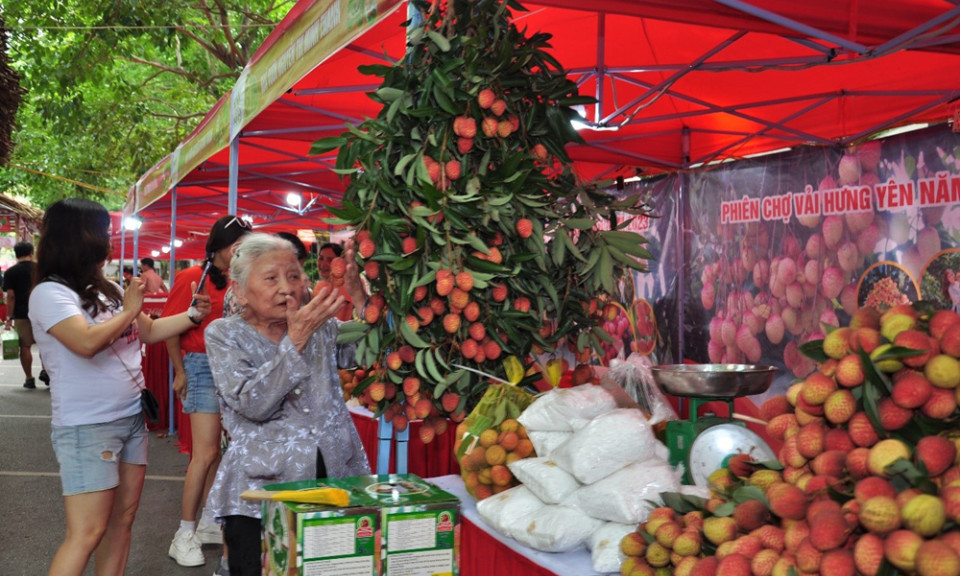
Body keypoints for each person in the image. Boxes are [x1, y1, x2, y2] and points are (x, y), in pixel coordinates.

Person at [28, 198, 211, 576]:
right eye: (104, 232)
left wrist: (192, 315)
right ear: (79, 237)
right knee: (87, 532)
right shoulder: (49, 294)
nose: (110, 240)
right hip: (87, 426)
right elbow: (85, 342)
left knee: (122, 522)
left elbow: (149, 330)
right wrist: (129, 309)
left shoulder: (107, 287)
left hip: (130, 418)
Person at [204, 233, 370, 576]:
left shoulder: (321, 328)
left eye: (293, 276)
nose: (286, 287)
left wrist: (359, 297)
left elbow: (371, 350)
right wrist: (295, 341)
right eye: (271, 278)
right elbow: (252, 403)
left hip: (333, 477)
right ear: (239, 289)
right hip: (261, 491)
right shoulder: (224, 335)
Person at [163, 215, 251, 568]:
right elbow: (168, 329)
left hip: (233, 370)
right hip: (200, 365)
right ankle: (183, 534)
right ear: (218, 248)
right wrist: (180, 371)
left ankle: (210, 520)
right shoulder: (190, 278)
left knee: (219, 453)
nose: (243, 252)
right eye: (237, 247)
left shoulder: (241, 280)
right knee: (204, 453)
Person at [4, 241, 48, 388]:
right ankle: (45, 371)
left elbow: (11, 296)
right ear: (31, 253)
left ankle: (29, 378)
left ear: (16, 255)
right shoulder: (41, 269)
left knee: (25, 346)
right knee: (45, 344)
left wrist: (9, 318)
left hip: (22, 314)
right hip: (42, 312)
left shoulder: (11, 272)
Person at [315, 242, 353, 321]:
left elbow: (338, 321)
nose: (323, 264)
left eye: (330, 260)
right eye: (321, 258)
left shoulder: (343, 286)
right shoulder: (320, 285)